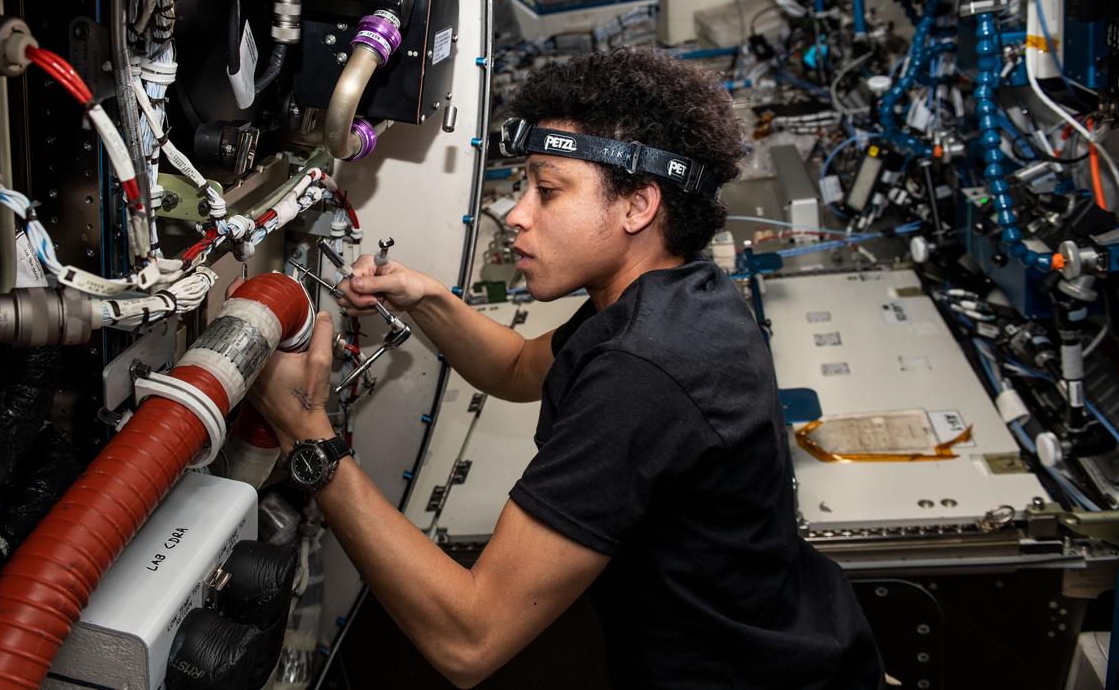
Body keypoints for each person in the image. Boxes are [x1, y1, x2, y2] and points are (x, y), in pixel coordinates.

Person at [249, 47, 882, 689]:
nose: (518, 213)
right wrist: (427, 296)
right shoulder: (674, 299)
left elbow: (469, 638)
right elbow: (520, 368)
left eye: (547, 190)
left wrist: (307, 434)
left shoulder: (645, 370)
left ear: (638, 205)